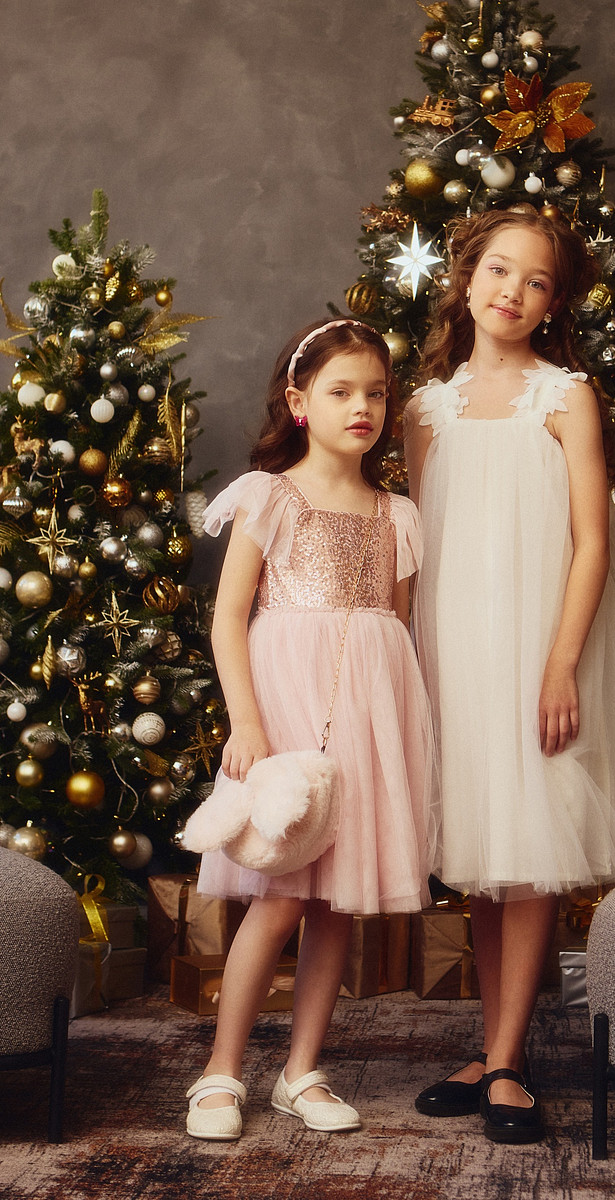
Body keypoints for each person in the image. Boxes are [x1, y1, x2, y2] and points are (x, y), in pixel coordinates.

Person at [404, 208, 615, 1144]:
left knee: (528, 854)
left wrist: (561, 664)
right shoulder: (426, 409)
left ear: (555, 303)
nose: (511, 292)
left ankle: (506, 1061)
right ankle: (497, 1049)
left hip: (535, 649)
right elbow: (418, 541)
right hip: (455, 651)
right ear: (466, 277)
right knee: (486, 858)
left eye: (535, 282)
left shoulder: (564, 398)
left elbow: (592, 541)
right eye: (498, 270)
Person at [185, 318, 436, 1142]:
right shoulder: (271, 497)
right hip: (284, 708)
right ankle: (221, 1072)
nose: (362, 407)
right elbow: (229, 619)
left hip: (368, 712)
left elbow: (392, 624)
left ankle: (301, 1072)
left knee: (337, 901)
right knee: (281, 894)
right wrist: (247, 724)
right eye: (341, 391)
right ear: (299, 403)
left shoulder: (397, 513)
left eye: (376, 393)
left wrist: (398, 726)